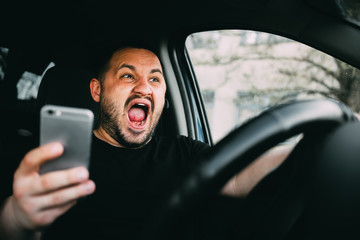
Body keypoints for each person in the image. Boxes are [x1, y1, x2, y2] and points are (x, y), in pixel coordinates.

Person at [0, 46, 291, 240]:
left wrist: (315, 147)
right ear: (97, 90)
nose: (144, 87)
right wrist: (16, 217)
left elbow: (240, 172)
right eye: (128, 75)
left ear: (163, 98)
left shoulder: (183, 152)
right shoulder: (45, 158)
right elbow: (13, 222)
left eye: (155, 79)